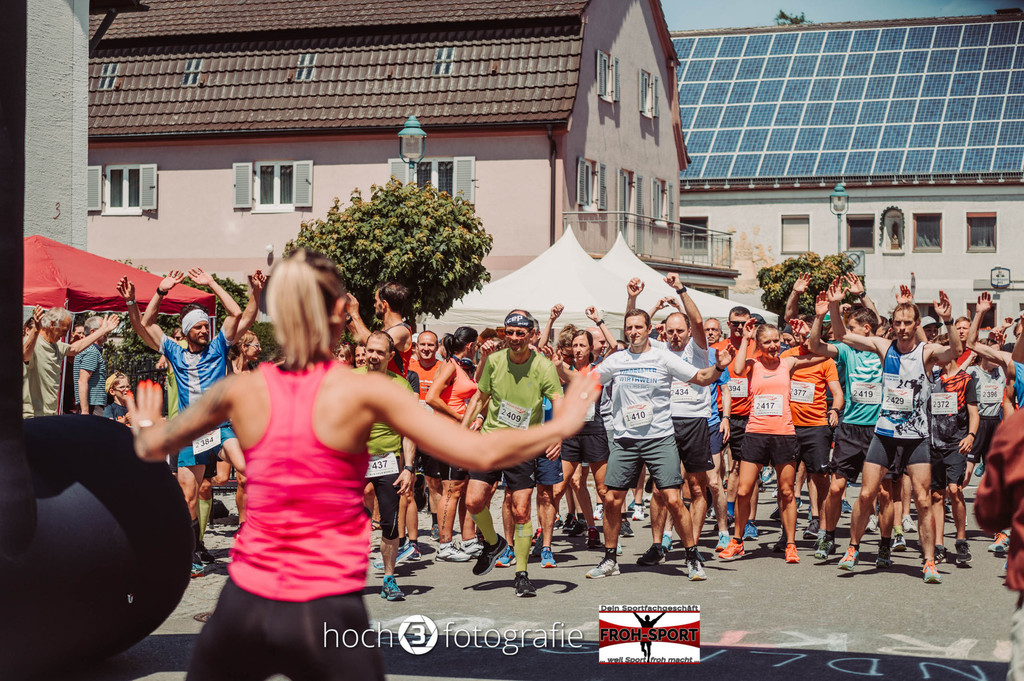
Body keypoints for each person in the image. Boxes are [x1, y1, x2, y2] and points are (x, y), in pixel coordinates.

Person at [126, 249, 597, 681]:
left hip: (247, 601)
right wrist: (561, 424)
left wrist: (145, 422)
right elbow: (480, 453)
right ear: (339, 311)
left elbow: (151, 446)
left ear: (279, 315)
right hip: (326, 607)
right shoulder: (368, 390)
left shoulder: (241, 390)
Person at [120, 268, 263, 579]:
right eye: (197, 327)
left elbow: (237, 313)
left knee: (248, 472)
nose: (203, 330)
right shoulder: (174, 352)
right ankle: (193, 550)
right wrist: (158, 293)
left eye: (204, 325)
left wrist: (212, 283)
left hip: (220, 427)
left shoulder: (219, 347)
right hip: (190, 433)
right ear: (186, 332)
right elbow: (146, 325)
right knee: (188, 495)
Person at [587, 306, 733, 581]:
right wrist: (558, 369)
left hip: (660, 437)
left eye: (638, 327)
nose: (633, 332)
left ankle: (692, 557)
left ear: (649, 329)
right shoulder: (617, 360)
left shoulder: (663, 357)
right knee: (612, 499)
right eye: (629, 328)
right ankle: (610, 559)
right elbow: (586, 382)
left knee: (675, 498)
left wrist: (719, 367)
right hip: (626, 440)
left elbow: (702, 378)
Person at [836, 292, 962, 583]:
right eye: (897, 323)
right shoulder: (884, 347)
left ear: (916, 324)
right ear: (891, 324)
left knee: (923, 499)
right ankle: (852, 549)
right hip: (885, 434)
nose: (902, 328)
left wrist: (948, 320)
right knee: (866, 494)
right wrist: (832, 306)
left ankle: (929, 562)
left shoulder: (927, 352)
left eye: (907, 323)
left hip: (916, 436)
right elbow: (843, 336)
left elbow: (955, 350)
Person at [462, 311, 564, 597]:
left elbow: (558, 400)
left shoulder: (543, 366)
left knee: (521, 510)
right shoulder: (494, 361)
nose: (515, 338)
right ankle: (494, 544)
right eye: (510, 332)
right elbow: (479, 397)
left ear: (531, 334)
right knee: (473, 501)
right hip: (491, 441)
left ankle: (521, 574)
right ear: (504, 334)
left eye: (521, 333)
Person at [718, 319, 821, 564]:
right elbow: (738, 369)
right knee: (743, 490)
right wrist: (746, 339)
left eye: (776, 341)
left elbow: (819, 354)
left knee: (786, 491)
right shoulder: (753, 364)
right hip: (756, 433)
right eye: (767, 342)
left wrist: (805, 336)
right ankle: (737, 541)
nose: (774, 345)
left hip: (784, 434)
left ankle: (791, 544)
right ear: (759, 344)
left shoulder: (788, 362)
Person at [807, 287, 893, 564]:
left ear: (866, 329)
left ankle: (884, 545)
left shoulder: (883, 349)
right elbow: (815, 346)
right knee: (836, 488)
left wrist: (863, 295)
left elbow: (878, 324)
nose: (846, 332)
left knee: (883, 493)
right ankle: (828, 535)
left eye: (852, 328)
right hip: (851, 427)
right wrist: (825, 313)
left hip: (879, 430)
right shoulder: (846, 349)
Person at [641, 274, 720, 565]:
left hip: (695, 423)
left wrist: (681, 290)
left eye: (680, 330)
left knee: (697, 488)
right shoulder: (658, 350)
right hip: (664, 424)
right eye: (670, 331)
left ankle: (692, 546)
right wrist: (645, 304)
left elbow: (698, 321)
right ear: (663, 332)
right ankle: (656, 545)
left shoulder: (697, 350)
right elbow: (635, 327)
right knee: (659, 489)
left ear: (688, 332)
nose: (675, 335)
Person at [355, 331, 418, 599]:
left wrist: (409, 468)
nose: (373, 356)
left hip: (386, 462)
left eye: (380, 352)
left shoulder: (400, 386)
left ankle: (389, 579)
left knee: (391, 524)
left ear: (390, 356)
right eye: (370, 350)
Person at [424, 327, 481, 562]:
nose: (477, 348)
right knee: (451, 489)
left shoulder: (462, 366)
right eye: (476, 345)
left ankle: (468, 540)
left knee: (463, 487)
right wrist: (460, 418)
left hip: (462, 436)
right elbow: (431, 397)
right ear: (470, 345)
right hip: (448, 435)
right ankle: (445, 545)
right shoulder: (449, 365)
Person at [926, 345, 978, 567]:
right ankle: (939, 545)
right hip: (933, 444)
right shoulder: (932, 378)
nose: (934, 358)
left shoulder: (966, 380)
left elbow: (974, 413)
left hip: (956, 443)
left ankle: (961, 540)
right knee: (937, 495)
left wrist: (971, 436)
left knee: (955, 490)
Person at [23, 307, 118, 419]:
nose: (65, 335)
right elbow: (25, 354)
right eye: (64, 330)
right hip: (32, 416)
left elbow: (75, 348)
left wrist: (103, 330)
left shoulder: (57, 346)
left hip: (50, 416)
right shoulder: (33, 343)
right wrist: (36, 329)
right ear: (52, 324)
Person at [346, 282, 413, 376]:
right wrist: (347, 319)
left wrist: (355, 314)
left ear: (384, 304)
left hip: (393, 384)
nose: (374, 305)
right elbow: (362, 338)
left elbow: (372, 343)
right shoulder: (386, 331)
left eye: (376, 301)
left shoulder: (401, 330)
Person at [74, 315, 115, 416]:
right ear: (93, 332)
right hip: (92, 406)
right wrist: (85, 411)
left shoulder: (89, 350)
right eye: (103, 327)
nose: (107, 330)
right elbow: (82, 381)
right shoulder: (91, 351)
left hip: (92, 405)